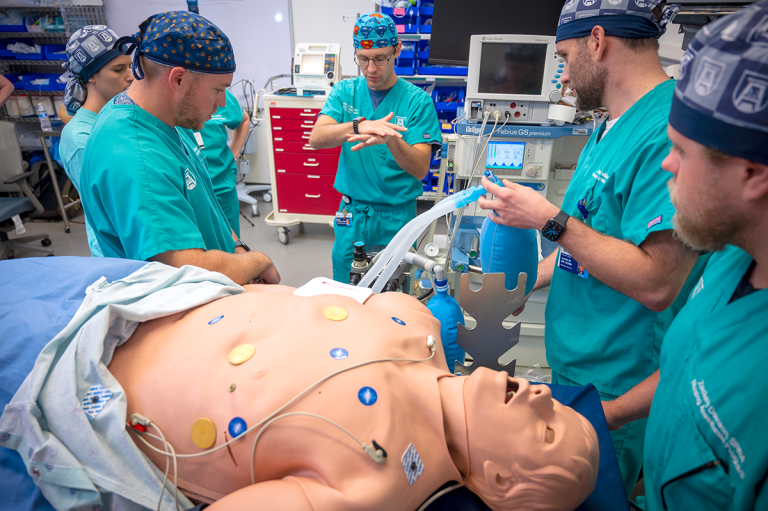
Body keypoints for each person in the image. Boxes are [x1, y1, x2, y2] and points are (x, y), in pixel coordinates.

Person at [477, 0, 706, 497]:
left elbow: (657, 281)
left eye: (563, 56)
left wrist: (547, 218)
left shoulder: (665, 132)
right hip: (577, 360)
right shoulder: (607, 127)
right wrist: (524, 282)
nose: (561, 76)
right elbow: (590, 243)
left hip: (618, 380)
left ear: (597, 42)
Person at [585, 4, 768, 508]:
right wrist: (616, 413)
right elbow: (690, 365)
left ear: (753, 173)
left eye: (682, 153)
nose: (665, 164)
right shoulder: (732, 259)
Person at [79, 12, 279, 286]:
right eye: (218, 90)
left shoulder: (165, 119)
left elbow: (205, 205)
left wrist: (237, 249)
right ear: (178, 79)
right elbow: (186, 267)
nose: (222, 103)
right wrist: (257, 260)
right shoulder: (135, 155)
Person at [309, 12, 442, 283]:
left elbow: (420, 169)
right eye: (363, 59)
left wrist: (391, 139)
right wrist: (358, 126)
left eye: (380, 59)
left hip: (395, 219)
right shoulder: (345, 92)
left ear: (397, 50)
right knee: (346, 292)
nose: (371, 69)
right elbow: (317, 138)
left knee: (391, 294)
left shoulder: (417, 102)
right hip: (352, 215)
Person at [59, 25, 134, 257]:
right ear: (91, 75)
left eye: (130, 67)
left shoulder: (122, 116)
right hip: (120, 252)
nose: (130, 76)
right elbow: (113, 207)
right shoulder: (80, 138)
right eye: (118, 69)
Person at [179, 88, 250, 237]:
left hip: (221, 182)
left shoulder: (219, 93)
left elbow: (243, 119)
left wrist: (233, 154)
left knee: (231, 243)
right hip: (187, 189)